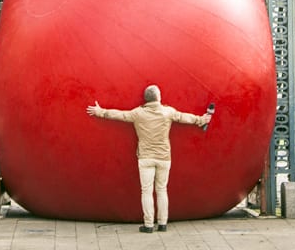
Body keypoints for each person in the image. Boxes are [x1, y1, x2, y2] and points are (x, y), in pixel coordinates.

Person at [85, 85, 212, 233]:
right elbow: (184, 117)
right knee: (162, 190)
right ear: (158, 97)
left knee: (146, 191)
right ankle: (163, 223)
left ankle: (149, 225)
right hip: (164, 157)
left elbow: (120, 115)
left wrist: (101, 112)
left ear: (146, 99)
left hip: (145, 158)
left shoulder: (138, 113)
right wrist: (201, 119)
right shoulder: (168, 112)